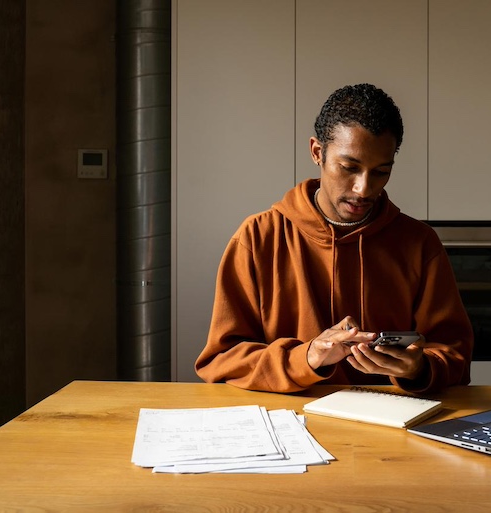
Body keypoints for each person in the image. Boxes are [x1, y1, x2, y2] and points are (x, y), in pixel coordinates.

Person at [195, 83, 473, 394]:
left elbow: (455, 356)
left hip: (391, 429)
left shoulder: (420, 243)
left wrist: (419, 369)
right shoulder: (258, 237)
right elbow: (221, 360)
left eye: (381, 171)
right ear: (317, 152)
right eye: (349, 167)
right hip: (287, 425)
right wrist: (307, 358)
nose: (363, 188)